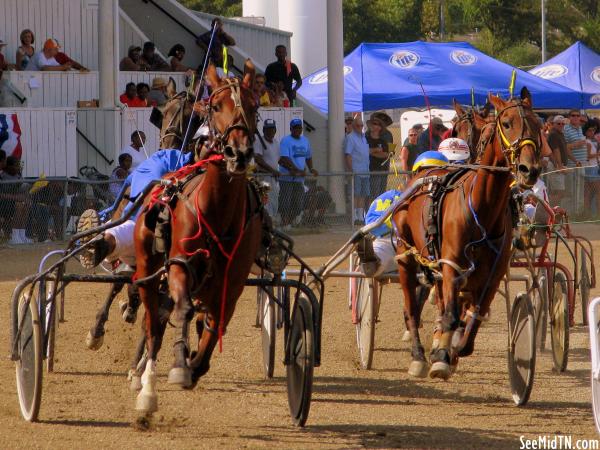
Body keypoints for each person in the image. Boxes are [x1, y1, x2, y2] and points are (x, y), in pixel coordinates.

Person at [76, 148, 194, 269]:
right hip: (143, 222)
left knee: (117, 230)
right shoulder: (173, 161)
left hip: (129, 215)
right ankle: (101, 245)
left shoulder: (142, 168)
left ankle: (98, 238)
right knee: (124, 236)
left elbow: (122, 193)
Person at [278, 118, 318, 229]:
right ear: (291, 129)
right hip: (286, 178)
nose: (298, 129)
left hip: (299, 179)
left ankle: (290, 222)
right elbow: (284, 158)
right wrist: (297, 170)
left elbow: (308, 157)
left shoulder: (305, 141)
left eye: (299, 127)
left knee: (299, 203)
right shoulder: (285, 140)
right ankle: (285, 223)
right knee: (285, 202)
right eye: (295, 128)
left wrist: (311, 168)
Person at [344, 116, 370, 225]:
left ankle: (361, 216)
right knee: (355, 194)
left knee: (363, 194)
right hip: (356, 171)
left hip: (365, 171)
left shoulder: (364, 137)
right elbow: (348, 154)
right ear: (354, 127)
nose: (360, 127)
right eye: (358, 125)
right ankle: (354, 217)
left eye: (361, 125)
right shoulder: (350, 138)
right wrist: (351, 170)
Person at [254, 119, 280, 219]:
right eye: (268, 129)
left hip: (273, 178)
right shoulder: (259, 141)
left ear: (275, 130)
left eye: (272, 129)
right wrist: (272, 171)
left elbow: (279, 159)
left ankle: (271, 221)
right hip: (263, 177)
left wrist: (291, 168)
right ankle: (265, 221)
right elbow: (258, 159)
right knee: (265, 201)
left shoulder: (276, 143)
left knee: (274, 201)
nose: (270, 131)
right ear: (264, 130)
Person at [563, 109, 586, 213]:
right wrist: (577, 144)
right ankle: (568, 214)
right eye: (573, 115)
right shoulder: (566, 129)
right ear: (569, 117)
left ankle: (578, 213)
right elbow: (564, 147)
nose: (576, 117)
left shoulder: (580, 128)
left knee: (580, 190)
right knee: (571, 191)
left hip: (582, 164)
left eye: (578, 115)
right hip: (572, 165)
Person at [366, 116, 393, 201]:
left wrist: (372, 152)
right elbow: (364, 151)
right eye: (373, 123)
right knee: (374, 194)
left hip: (384, 168)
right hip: (371, 170)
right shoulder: (365, 137)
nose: (375, 126)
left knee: (382, 194)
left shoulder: (387, 136)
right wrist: (376, 150)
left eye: (378, 124)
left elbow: (388, 153)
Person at [583, 120, 600, 216]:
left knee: (588, 193)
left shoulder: (590, 142)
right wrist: (598, 154)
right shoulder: (588, 142)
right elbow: (587, 156)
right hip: (591, 169)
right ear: (585, 131)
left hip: (590, 168)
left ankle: (588, 213)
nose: (592, 132)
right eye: (589, 130)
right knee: (597, 192)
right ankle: (597, 213)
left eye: (593, 130)